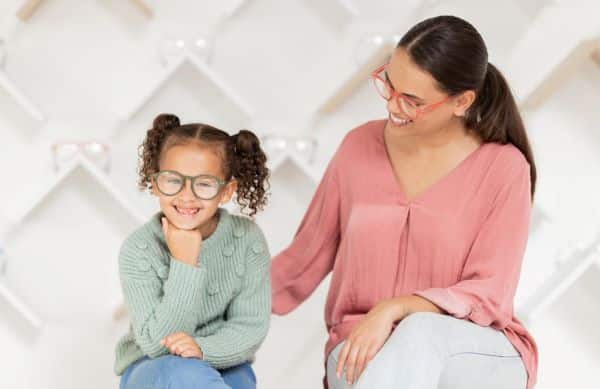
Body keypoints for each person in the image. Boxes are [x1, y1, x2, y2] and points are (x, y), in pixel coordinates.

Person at [271, 15, 538, 389]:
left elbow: (490, 293)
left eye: (412, 100)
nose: (393, 107)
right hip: (361, 348)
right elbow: (299, 262)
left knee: (420, 332)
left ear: (462, 101)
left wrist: (396, 308)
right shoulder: (358, 148)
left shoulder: (504, 168)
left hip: (470, 351)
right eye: (389, 86)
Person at [114, 113, 271, 389]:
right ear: (155, 183)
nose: (187, 195)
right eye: (174, 180)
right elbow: (155, 345)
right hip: (150, 368)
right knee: (187, 375)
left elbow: (250, 327)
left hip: (223, 361)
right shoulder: (138, 249)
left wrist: (201, 348)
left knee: (237, 381)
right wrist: (184, 262)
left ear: (226, 191)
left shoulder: (247, 239)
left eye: (204, 184)